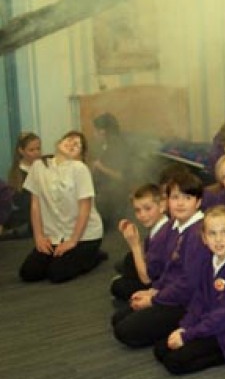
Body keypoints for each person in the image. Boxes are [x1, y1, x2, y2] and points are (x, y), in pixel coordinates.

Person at [154, 205, 225, 375]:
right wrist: (185, 327)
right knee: (161, 349)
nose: (218, 240)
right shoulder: (209, 262)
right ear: (204, 238)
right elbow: (199, 300)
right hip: (211, 323)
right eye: (212, 233)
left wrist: (188, 335)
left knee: (173, 362)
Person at [112, 170, 209, 348]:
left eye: (187, 198)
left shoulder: (198, 233)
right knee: (119, 318)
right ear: (168, 201)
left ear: (198, 202)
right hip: (170, 293)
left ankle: (186, 327)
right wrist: (153, 291)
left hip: (188, 302)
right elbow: (167, 270)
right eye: (175, 197)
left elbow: (189, 284)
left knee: (125, 331)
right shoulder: (175, 226)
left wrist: (154, 300)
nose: (180, 203)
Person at [19, 131, 106, 283]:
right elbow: (35, 204)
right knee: (29, 273)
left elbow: (85, 209)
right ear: (59, 143)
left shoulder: (80, 169)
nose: (71, 144)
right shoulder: (39, 166)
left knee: (57, 274)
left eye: (77, 145)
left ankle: (94, 255)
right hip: (54, 234)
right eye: (69, 140)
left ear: (80, 154)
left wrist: (72, 241)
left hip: (84, 235)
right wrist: (39, 236)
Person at [110, 184, 171, 301]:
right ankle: (126, 278)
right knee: (129, 259)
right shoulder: (162, 226)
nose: (142, 215)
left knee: (117, 286)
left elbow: (146, 279)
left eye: (148, 209)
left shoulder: (163, 235)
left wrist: (134, 244)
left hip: (158, 284)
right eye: (137, 210)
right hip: (155, 271)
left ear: (162, 206)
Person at [91, 112, 131, 230]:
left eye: (95, 131)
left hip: (114, 198)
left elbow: (121, 176)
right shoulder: (105, 145)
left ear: (103, 132)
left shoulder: (119, 147)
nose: (94, 134)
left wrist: (100, 167)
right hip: (104, 192)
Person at [1, 132, 42, 239]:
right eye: (31, 150)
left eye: (38, 149)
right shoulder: (17, 174)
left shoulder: (45, 168)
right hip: (27, 223)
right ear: (21, 151)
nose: (36, 153)